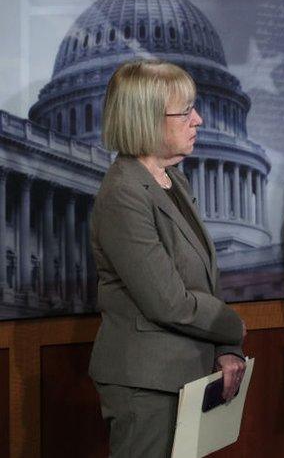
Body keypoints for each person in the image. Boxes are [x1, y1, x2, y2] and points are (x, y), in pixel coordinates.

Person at [89, 60, 247, 457]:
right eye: (186, 110)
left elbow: (198, 281)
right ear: (146, 119)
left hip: (185, 375)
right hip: (146, 386)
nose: (198, 119)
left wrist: (223, 348)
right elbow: (169, 302)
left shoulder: (172, 178)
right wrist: (234, 327)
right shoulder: (124, 193)